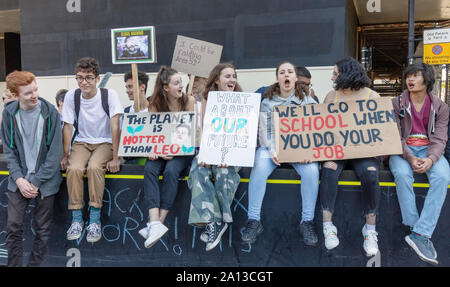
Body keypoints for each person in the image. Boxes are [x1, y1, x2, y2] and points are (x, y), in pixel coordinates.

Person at [241, 62, 320, 246]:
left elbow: (314, 130)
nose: (286, 75)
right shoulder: (267, 101)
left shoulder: (308, 100)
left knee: (312, 171)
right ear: (278, 78)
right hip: (273, 150)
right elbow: (265, 132)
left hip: (299, 151)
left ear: (295, 78)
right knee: (259, 165)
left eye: (290, 72)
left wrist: (310, 151)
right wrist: (272, 149)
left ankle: (307, 222)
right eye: (282, 72)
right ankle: (253, 220)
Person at [319, 57, 381, 256]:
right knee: (328, 170)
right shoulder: (331, 96)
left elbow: (381, 130)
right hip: (337, 150)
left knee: (371, 175)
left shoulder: (373, 96)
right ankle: (328, 227)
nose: (332, 77)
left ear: (347, 73)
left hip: (364, 152)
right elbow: (319, 126)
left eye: (335, 73)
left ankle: (370, 230)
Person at [389, 62, 449, 265]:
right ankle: (416, 229)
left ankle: (420, 234)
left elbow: (440, 139)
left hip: (428, 150)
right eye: (408, 76)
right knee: (403, 174)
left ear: (427, 80)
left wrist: (431, 159)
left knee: (442, 176)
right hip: (402, 150)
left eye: (415, 76)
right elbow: (393, 137)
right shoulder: (396, 103)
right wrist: (410, 157)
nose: (410, 80)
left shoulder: (441, 107)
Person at [1, 71, 62, 266]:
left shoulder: (50, 111)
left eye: (35, 89)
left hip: (44, 181)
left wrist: (34, 182)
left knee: (42, 230)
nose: (34, 95)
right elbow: (9, 151)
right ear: (15, 95)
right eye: (28, 93)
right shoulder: (9, 113)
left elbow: (55, 155)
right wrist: (19, 179)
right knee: (13, 226)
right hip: (19, 180)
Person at [61, 57, 123, 243]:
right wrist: (65, 155)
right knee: (74, 169)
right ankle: (77, 219)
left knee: (95, 167)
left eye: (88, 77)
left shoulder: (109, 95)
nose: (83, 82)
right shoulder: (72, 96)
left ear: (97, 78)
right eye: (79, 77)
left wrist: (116, 157)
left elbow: (115, 127)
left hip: (105, 142)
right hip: (82, 142)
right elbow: (67, 127)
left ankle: (94, 220)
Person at [138, 66, 196, 248]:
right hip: (162, 150)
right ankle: (154, 222)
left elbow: (191, 132)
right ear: (165, 87)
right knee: (149, 168)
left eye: (181, 82)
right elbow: (152, 133)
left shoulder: (189, 101)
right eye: (176, 83)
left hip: (182, 150)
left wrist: (174, 150)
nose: (181, 86)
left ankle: (158, 224)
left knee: (171, 171)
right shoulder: (154, 104)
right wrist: (154, 150)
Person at [188, 62, 243, 251]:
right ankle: (214, 222)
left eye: (234, 76)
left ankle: (217, 221)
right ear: (217, 81)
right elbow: (206, 131)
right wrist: (205, 154)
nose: (232, 79)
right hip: (212, 149)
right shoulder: (207, 99)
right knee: (198, 170)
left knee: (223, 171)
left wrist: (228, 154)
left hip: (233, 152)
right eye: (227, 76)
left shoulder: (242, 99)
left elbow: (244, 134)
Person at [122, 71, 149, 165]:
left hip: (152, 160)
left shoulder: (155, 110)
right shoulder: (125, 112)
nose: (127, 91)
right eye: (126, 87)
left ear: (142, 87)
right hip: (131, 161)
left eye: (130, 86)